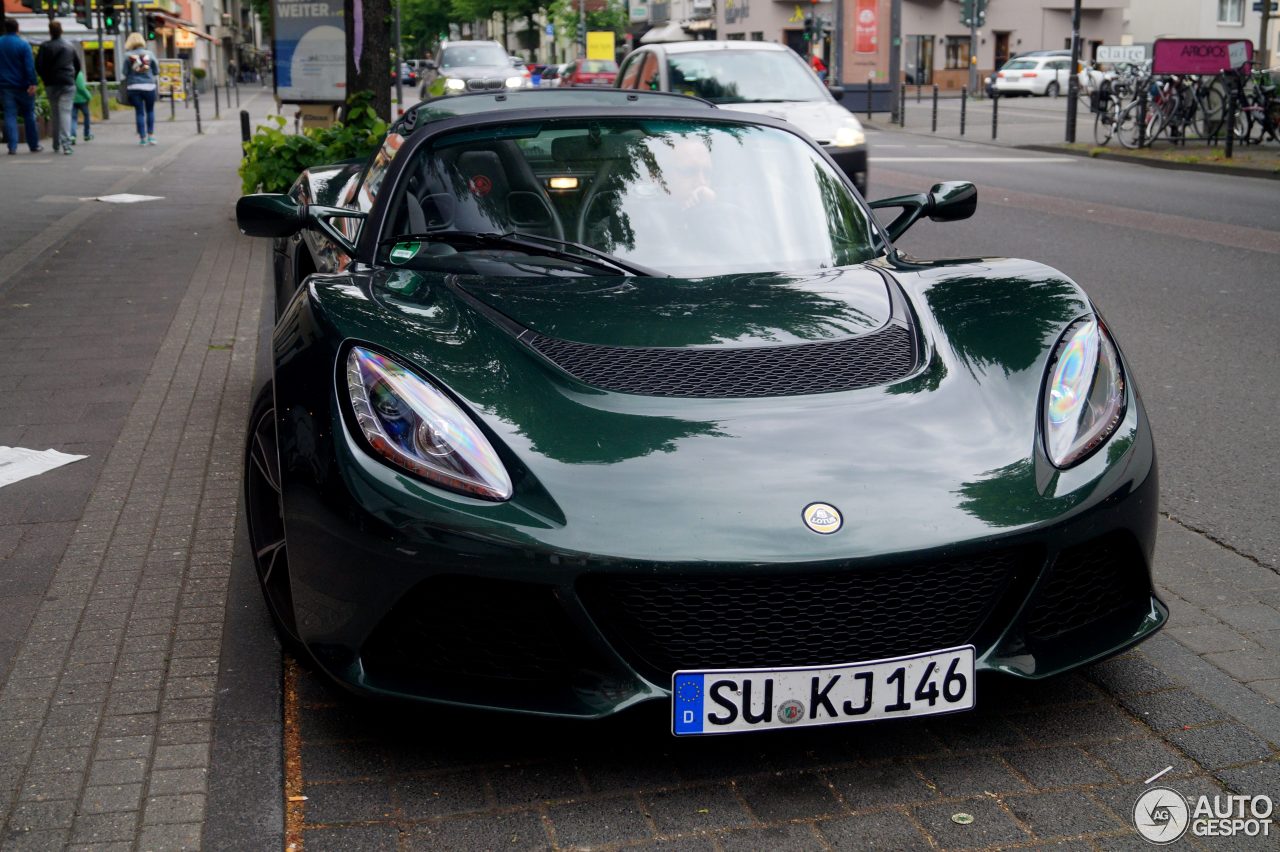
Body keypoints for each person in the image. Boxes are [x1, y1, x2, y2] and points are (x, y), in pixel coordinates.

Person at [34, 20, 79, 155]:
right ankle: (66, 144)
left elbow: (39, 65)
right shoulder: (70, 46)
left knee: (55, 112)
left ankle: (55, 144)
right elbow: (77, 66)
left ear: (50, 31)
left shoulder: (45, 47)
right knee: (65, 112)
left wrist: (45, 79)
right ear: (62, 31)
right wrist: (72, 78)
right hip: (67, 82)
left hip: (51, 83)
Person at [0, 18, 42, 154]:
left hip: (5, 85)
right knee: (29, 114)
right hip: (23, 86)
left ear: (5, 29)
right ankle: (33, 145)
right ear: (17, 28)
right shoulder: (23, 45)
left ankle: (12, 146)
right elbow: (29, 66)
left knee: (10, 115)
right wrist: (33, 83)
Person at [122, 32, 159, 145]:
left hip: (134, 87)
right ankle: (151, 136)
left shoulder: (127, 56)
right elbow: (156, 70)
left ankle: (142, 138)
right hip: (149, 86)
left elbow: (124, 72)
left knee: (139, 112)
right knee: (150, 111)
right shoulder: (150, 54)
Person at [70, 67, 93, 142]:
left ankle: (72, 135)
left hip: (72, 99)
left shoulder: (68, 74)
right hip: (82, 100)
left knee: (73, 118)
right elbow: (82, 88)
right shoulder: (78, 74)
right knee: (86, 116)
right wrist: (88, 96)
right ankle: (86, 134)